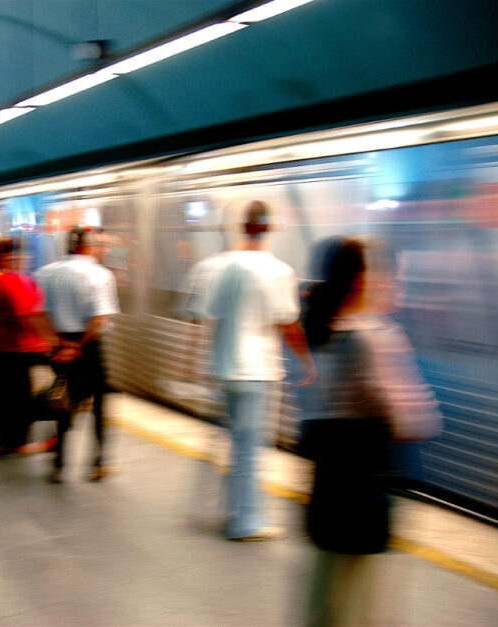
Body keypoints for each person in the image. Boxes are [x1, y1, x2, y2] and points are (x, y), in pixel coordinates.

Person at [300, 237, 440, 625]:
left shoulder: (321, 331)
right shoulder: (374, 338)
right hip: (363, 493)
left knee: (325, 599)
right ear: (361, 279)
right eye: (383, 272)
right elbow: (417, 420)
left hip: (326, 488)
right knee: (359, 605)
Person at [200, 201, 315, 541]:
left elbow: (212, 316)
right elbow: (289, 324)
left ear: (244, 227)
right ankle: (245, 521)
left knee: (238, 446)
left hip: (226, 370)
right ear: (270, 229)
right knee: (249, 449)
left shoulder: (223, 266)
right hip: (257, 374)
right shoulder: (277, 270)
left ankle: (234, 512)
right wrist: (307, 360)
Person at [36, 226, 120, 483]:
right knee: (99, 405)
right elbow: (100, 318)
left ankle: (59, 463)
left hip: (60, 347)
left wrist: (58, 342)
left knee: (64, 400)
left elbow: (38, 313)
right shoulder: (100, 274)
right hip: (88, 347)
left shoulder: (46, 273)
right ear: (88, 246)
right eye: (99, 245)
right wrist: (79, 346)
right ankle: (99, 463)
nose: (102, 250)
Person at [0, 235, 57, 455]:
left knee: (6, 396)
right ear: (9, 256)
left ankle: (4, 438)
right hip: (22, 349)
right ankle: (18, 442)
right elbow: (29, 317)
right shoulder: (15, 281)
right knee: (25, 396)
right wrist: (52, 342)